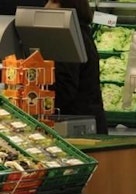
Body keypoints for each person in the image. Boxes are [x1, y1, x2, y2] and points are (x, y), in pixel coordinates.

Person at [44, 0, 107, 134]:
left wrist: (41, 103)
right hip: (89, 121)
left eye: (53, 2)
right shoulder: (81, 31)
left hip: (78, 127)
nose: (46, 7)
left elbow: (65, 88)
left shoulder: (67, 38)